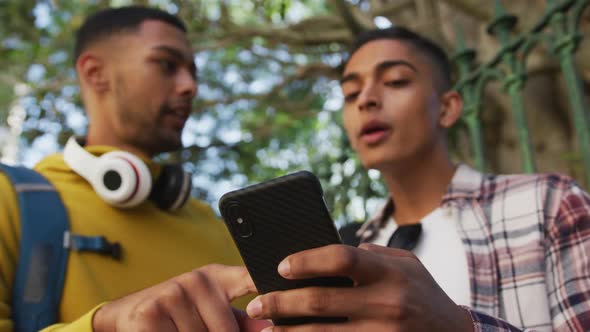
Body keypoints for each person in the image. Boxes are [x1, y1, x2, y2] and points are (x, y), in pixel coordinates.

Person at [243, 27, 590, 331]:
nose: (366, 100)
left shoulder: (548, 204)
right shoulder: (344, 250)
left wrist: (459, 328)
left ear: (448, 108)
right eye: (350, 94)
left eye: (395, 81)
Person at [0, 6, 270, 332]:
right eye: (167, 65)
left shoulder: (222, 229)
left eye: (193, 72)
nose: (190, 87)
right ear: (95, 72)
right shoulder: (10, 199)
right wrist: (105, 326)